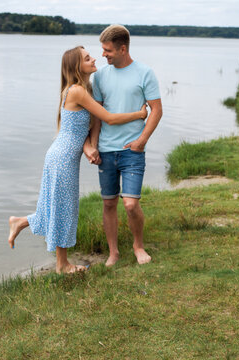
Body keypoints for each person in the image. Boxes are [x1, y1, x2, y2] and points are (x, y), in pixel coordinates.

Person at [7, 46, 147, 274]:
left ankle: (21, 222)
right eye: (87, 58)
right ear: (76, 66)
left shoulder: (82, 89)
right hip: (62, 158)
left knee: (59, 207)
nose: (94, 59)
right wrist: (139, 114)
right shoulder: (77, 92)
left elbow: (87, 125)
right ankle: (61, 264)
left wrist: (89, 146)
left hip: (62, 156)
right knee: (64, 208)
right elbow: (108, 118)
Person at [83, 25, 163, 267]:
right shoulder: (99, 77)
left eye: (107, 50)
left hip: (132, 150)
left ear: (122, 48)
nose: (103, 55)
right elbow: (97, 116)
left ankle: (138, 245)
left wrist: (141, 141)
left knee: (130, 204)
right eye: (103, 50)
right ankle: (113, 252)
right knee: (109, 202)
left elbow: (156, 110)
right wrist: (94, 146)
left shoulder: (144, 73)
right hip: (106, 150)